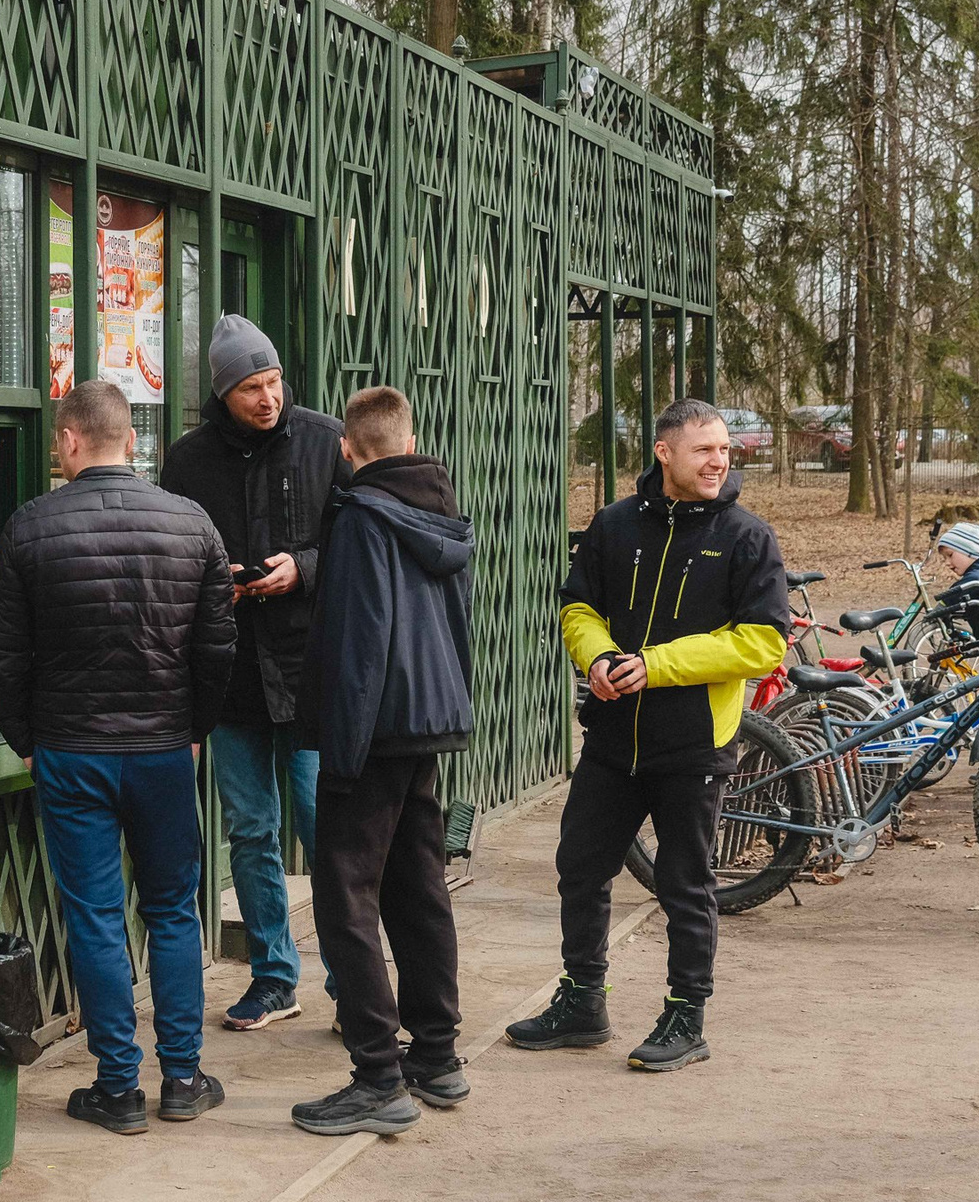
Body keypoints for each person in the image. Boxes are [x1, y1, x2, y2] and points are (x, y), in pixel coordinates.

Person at [0, 380, 239, 1134]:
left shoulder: (29, 528)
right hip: (163, 747)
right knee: (171, 907)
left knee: (96, 914)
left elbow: (5, 653)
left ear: (68, 438)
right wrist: (195, 726)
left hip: (72, 750)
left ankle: (119, 1087)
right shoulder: (191, 524)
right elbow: (218, 645)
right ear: (132, 440)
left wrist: (26, 739)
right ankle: (185, 1077)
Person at [507, 399, 789, 1071]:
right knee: (580, 866)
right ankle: (581, 1001)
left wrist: (654, 667)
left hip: (692, 745)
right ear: (664, 452)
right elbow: (577, 605)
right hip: (611, 739)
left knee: (683, 882)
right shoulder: (613, 525)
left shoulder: (747, 537)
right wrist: (597, 657)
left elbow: (764, 641)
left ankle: (685, 1016)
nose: (720, 460)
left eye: (725, 450)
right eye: (705, 450)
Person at [288, 386, 475, 1136]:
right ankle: (437, 1054)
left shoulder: (361, 517)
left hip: (372, 732)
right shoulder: (441, 507)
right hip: (428, 721)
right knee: (417, 886)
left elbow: (360, 641)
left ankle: (376, 1074)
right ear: (406, 437)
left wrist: (341, 748)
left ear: (347, 447)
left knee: (345, 896)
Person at [160, 314, 351, 1031]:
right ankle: (274, 976)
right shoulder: (188, 461)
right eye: (250, 387)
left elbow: (357, 543)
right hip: (232, 675)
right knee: (250, 831)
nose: (267, 398)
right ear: (223, 392)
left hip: (308, 671)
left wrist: (299, 568)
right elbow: (174, 556)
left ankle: (349, 979)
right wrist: (222, 586)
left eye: (272, 382)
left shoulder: (327, 440)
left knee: (324, 826)